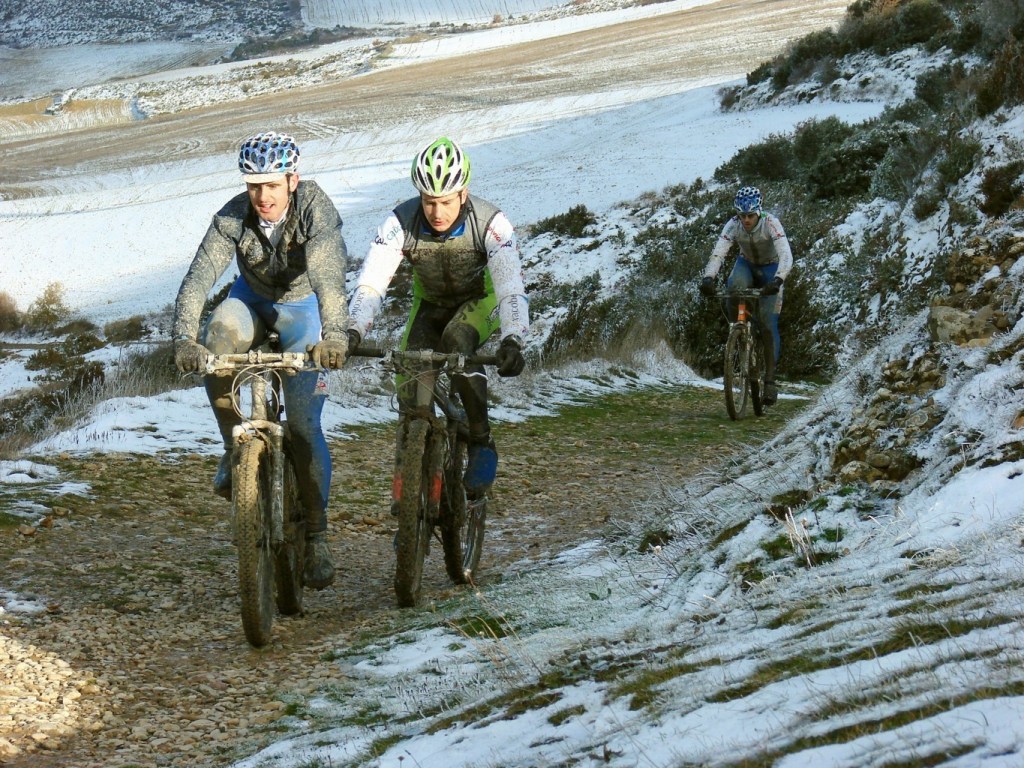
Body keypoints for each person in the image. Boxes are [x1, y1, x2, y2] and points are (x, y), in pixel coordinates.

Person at [171, 131, 350, 590]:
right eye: (254, 186)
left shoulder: (315, 209)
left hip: (303, 308)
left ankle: (317, 536)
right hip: (250, 300)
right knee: (217, 340)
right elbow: (198, 278)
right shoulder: (233, 215)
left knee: (304, 425)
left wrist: (334, 336)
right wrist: (184, 339)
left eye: (272, 185)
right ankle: (235, 450)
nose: (263, 196)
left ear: (293, 180)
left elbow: (329, 278)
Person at [347, 136, 529, 497]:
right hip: (430, 305)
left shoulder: (491, 223)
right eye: (428, 201)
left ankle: (481, 440)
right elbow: (371, 283)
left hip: (480, 301)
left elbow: (510, 288)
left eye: (445, 201)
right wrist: (352, 330)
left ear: (463, 193)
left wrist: (513, 338)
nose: (436, 212)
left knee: (457, 341)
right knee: (410, 383)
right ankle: (410, 497)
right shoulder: (400, 222)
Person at [699, 185, 793, 406]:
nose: (746, 220)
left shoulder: (771, 223)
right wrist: (708, 278)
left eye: (750, 215)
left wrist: (778, 280)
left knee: (768, 323)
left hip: (771, 267)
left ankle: (770, 381)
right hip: (747, 264)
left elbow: (786, 255)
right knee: (734, 288)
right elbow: (718, 253)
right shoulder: (733, 225)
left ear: (758, 212)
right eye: (742, 216)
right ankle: (739, 332)